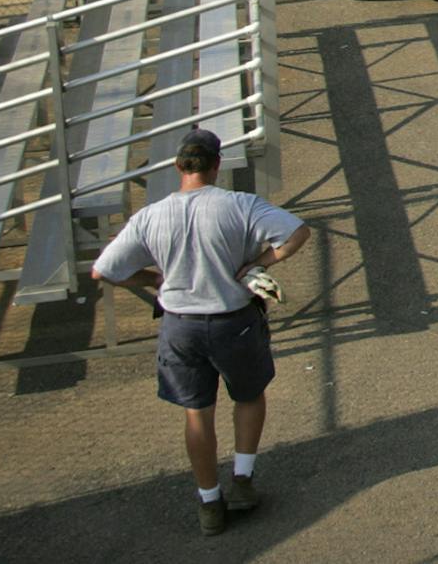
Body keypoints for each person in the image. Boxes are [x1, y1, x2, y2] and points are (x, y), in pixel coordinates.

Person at [92, 131, 310, 537]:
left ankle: (209, 502)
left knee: (198, 413)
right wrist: (257, 264)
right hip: (234, 320)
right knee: (248, 396)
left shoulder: (150, 216)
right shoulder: (240, 205)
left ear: (179, 167)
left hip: (180, 325)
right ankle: (242, 480)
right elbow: (296, 233)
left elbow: (103, 271)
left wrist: (153, 279)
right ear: (216, 165)